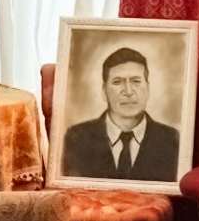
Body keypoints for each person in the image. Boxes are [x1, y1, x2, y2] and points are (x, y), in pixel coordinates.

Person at [61, 44, 180, 181]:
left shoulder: (172, 140)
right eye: (117, 82)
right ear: (104, 91)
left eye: (136, 81)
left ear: (147, 88)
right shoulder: (77, 138)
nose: (128, 91)